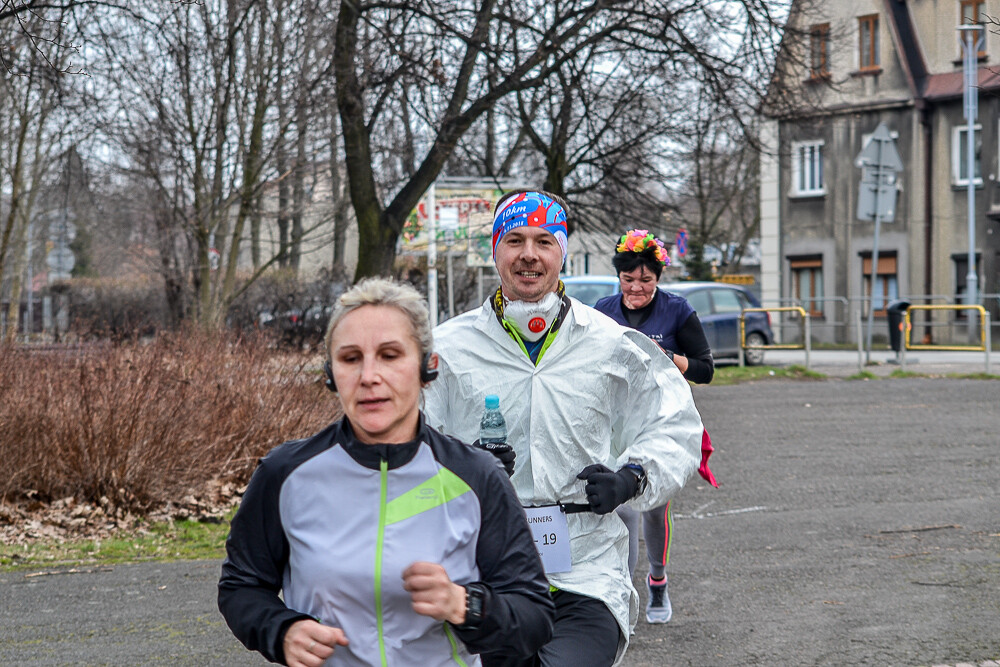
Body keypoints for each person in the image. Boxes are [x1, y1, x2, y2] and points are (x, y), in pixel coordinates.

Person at [423, 191, 704, 666]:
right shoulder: (447, 349)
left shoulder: (612, 344)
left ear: (562, 254)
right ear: (495, 250)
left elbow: (675, 424)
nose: (528, 254)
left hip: (585, 571)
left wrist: (632, 477)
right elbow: (401, 443)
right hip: (480, 571)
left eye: (543, 241)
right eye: (514, 239)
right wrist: (462, 466)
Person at [218, 277, 554, 667]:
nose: (369, 376)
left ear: (428, 366)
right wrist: (281, 630)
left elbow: (534, 617)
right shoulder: (285, 474)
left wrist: (464, 603)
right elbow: (242, 587)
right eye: (350, 358)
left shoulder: (477, 476)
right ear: (330, 372)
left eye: (390, 355)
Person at [593, 229, 719, 625]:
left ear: (658, 278)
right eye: (629, 280)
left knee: (652, 506)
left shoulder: (677, 311)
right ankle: (621, 593)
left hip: (661, 420)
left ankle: (658, 580)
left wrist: (668, 358)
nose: (636, 288)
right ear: (619, 278)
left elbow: (706, 370)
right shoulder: (601, 310)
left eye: (645, 280)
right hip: (615, 421)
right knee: (623, 510)